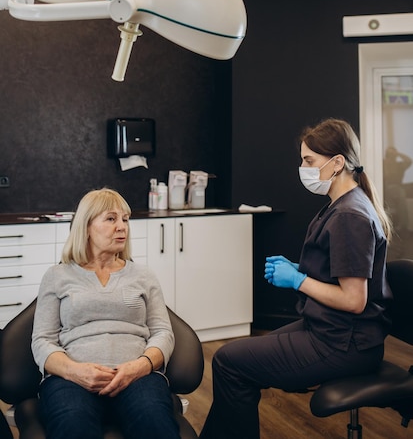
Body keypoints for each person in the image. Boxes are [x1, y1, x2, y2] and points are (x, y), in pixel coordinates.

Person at [200, 118, 393, 439]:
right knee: (233, 360)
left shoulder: (349, 215)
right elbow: (341, 274)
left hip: (344, 344)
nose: (302, 168)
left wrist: (298, 280)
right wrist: (301, 270)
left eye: (309, 161)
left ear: (337, 163)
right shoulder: (341, 206)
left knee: (229, 363)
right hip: (328, 329)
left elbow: (354, 300)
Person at [31, 188, 181, 439]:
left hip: (138, 377)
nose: (122, 226)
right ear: (86, 227)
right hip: (71, 379)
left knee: (155, 422)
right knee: (73, 426)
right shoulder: (57, 276)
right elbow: (42, 340)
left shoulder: (143, 275)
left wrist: (140, 367)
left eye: (125, 219)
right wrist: (74, 371)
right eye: (111, 219)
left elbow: (163, 333)